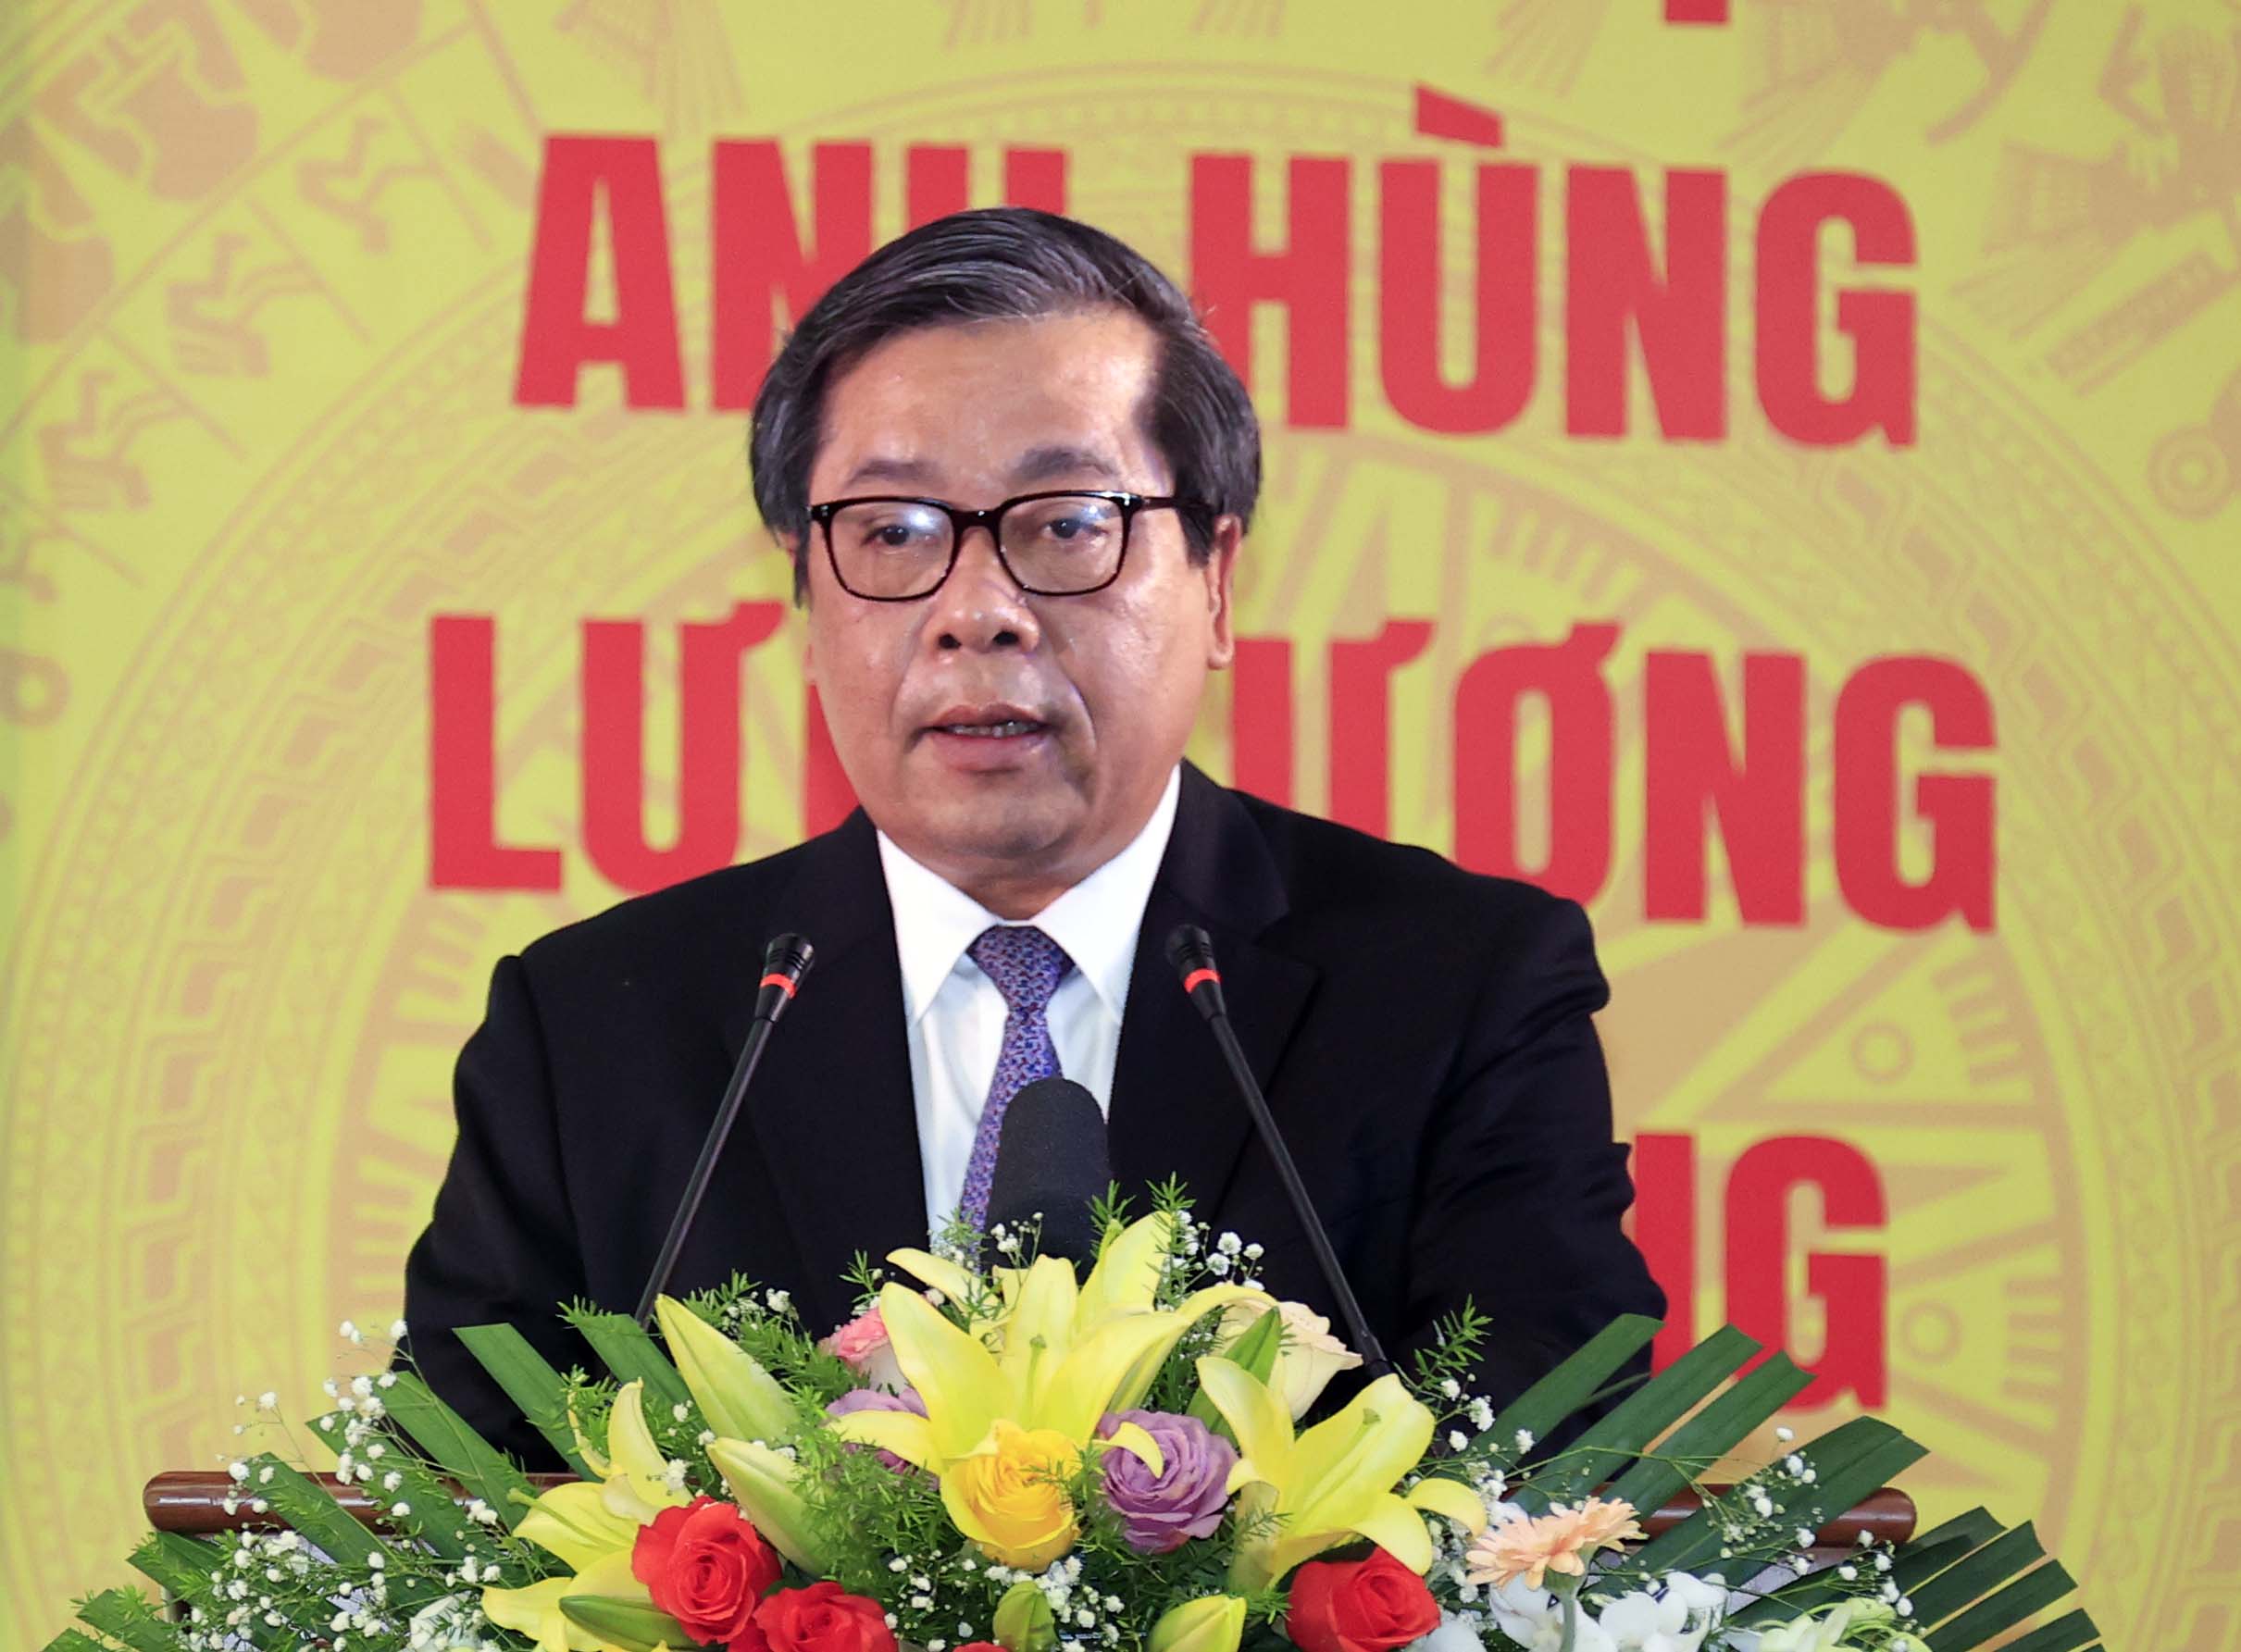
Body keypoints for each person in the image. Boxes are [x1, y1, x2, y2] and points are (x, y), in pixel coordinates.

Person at [399, 207, 1663, 1468]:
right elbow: (456, 1511)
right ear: (804, 596)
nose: (979, 611)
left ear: (1217, 577)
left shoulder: (1459, 991)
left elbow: (1554, 1474)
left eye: (1066, 523)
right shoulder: (591, 1031)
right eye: (892, 531)